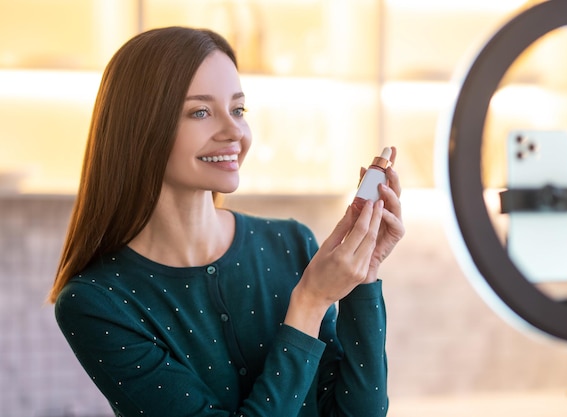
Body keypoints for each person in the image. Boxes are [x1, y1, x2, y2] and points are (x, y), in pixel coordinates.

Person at [49, 26, 404, 417]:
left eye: (238, 110)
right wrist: (309, 302)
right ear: (141, 128)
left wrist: (361, 277)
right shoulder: (97, 303)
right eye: (201, 112)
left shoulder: (289, 243)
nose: (234, 131)